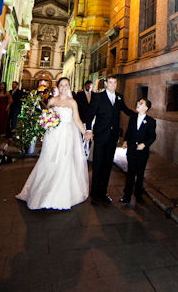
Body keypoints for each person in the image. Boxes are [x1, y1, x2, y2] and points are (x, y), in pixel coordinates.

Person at [16, 77, 93, 210]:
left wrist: (85, 132)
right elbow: (46, 115)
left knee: (64, 162)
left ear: (69, 87)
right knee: (48, 160)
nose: (64, 87)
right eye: (61, 85)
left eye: (66, 85)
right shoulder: (52, 100)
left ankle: (59, 194)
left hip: (67, 136)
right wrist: (45, 121)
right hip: (52, 136)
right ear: (58, 86)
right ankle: (42, 192)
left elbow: (77, 120)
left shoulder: (72, 102)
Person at [84, 75, 131, 205]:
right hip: (100, 136)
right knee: (98, 165)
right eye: (110, 82)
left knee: (107, 166)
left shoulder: (119, 97)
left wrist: (140, 114)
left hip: (112, 137)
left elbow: (126, 110)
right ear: (106, 84)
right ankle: (95, 195)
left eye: (115, 83)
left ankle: (103, 193)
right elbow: (90, 115)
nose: (112, 85)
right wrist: (88, 130)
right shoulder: (98, 97)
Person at [120, 98, 156, 204]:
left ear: (146, 108)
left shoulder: (150, 121)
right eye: (138, 103)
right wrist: (126, 140)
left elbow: (152, 136)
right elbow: (129, 131)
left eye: (140, 104)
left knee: (140, 174)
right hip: (131, 150)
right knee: (130, 173)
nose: (137, 104)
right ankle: (126, 196)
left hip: (142, 152)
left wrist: (144, 144)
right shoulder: (133, 118)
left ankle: (138, 195)